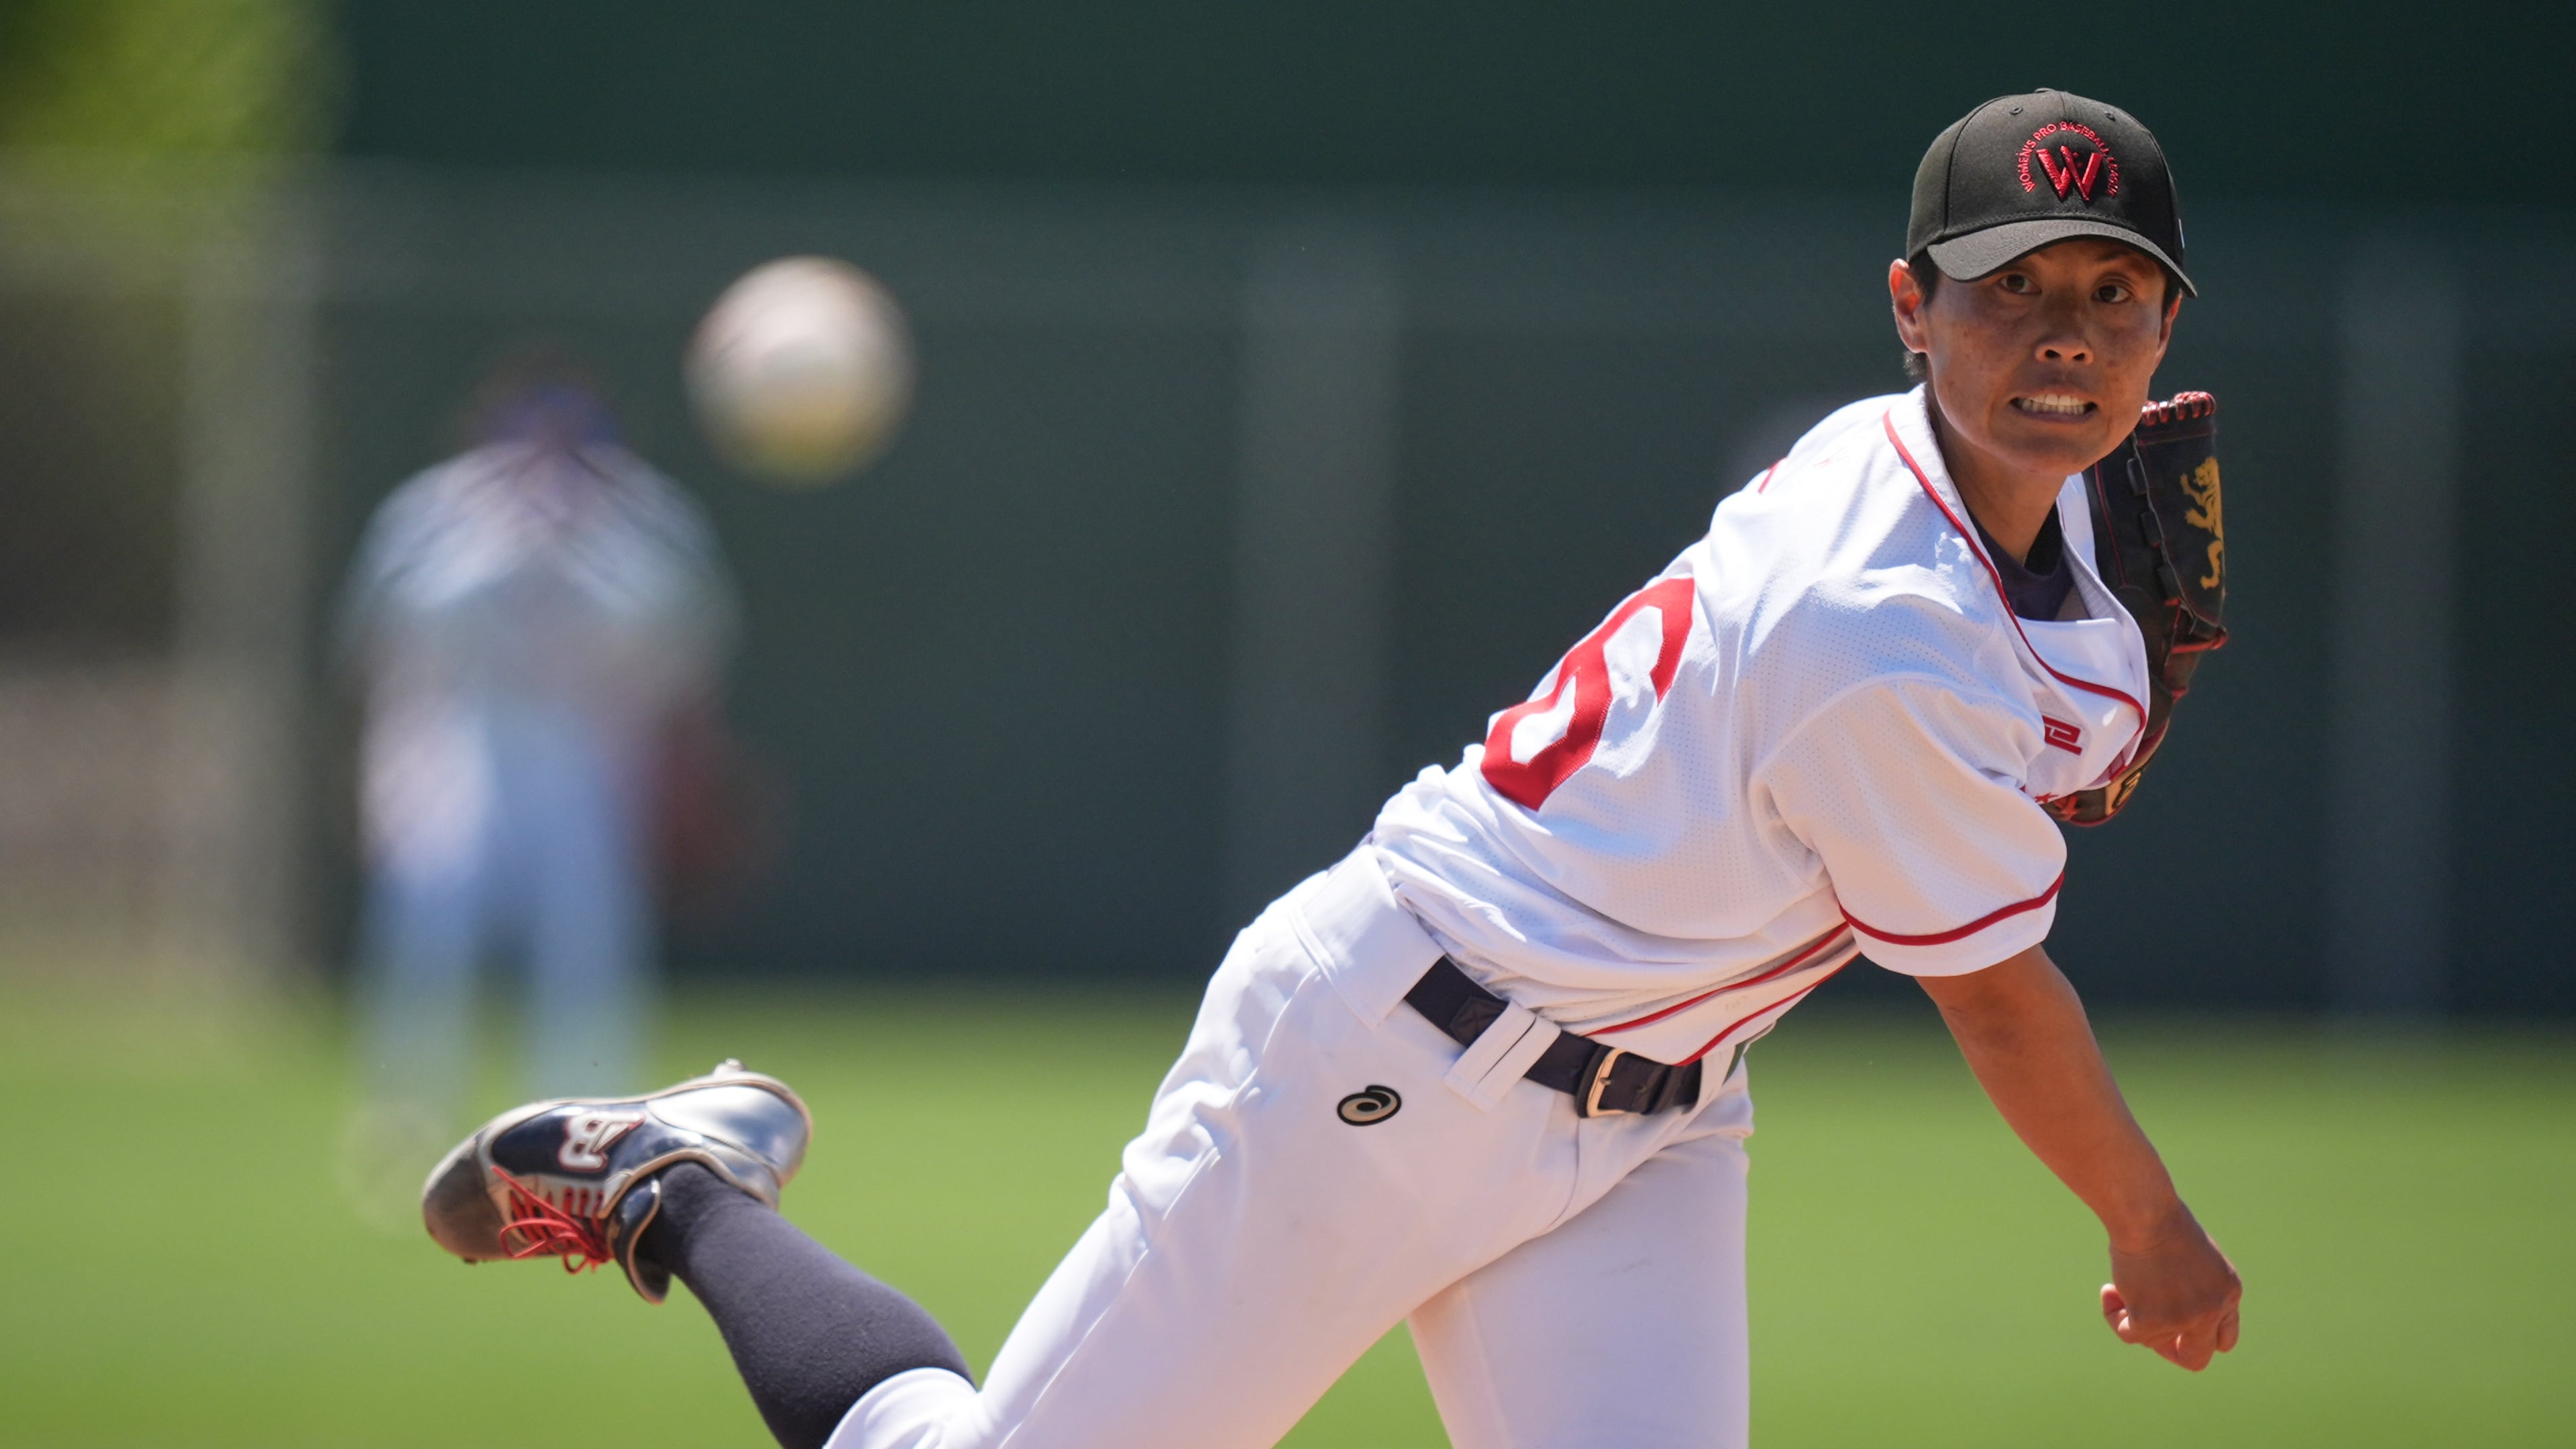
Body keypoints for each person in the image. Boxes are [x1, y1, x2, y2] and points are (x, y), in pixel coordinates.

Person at [419, 91, 2241, 1449]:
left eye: (2112, 292)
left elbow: (2035, 695)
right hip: (1388, 1058)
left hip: (1654, 1118)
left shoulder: (1989, 513)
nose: (2064, 338)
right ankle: (674, 1185)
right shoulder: (1878, 623)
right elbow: (1996, 998)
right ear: (1914, 306)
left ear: (2168, 325)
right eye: (2009, 294)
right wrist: (2148, 1225)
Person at [341, 358, 737, 1187]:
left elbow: (679, 642)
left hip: (582, 741)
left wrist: (582, 539)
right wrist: (503, 532)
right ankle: (407, 1111)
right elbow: (391, 631)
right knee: (433, 912)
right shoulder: (439, 510)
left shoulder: (640, 518)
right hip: (457, 734)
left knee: (586, 932)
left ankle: (589, 1128)